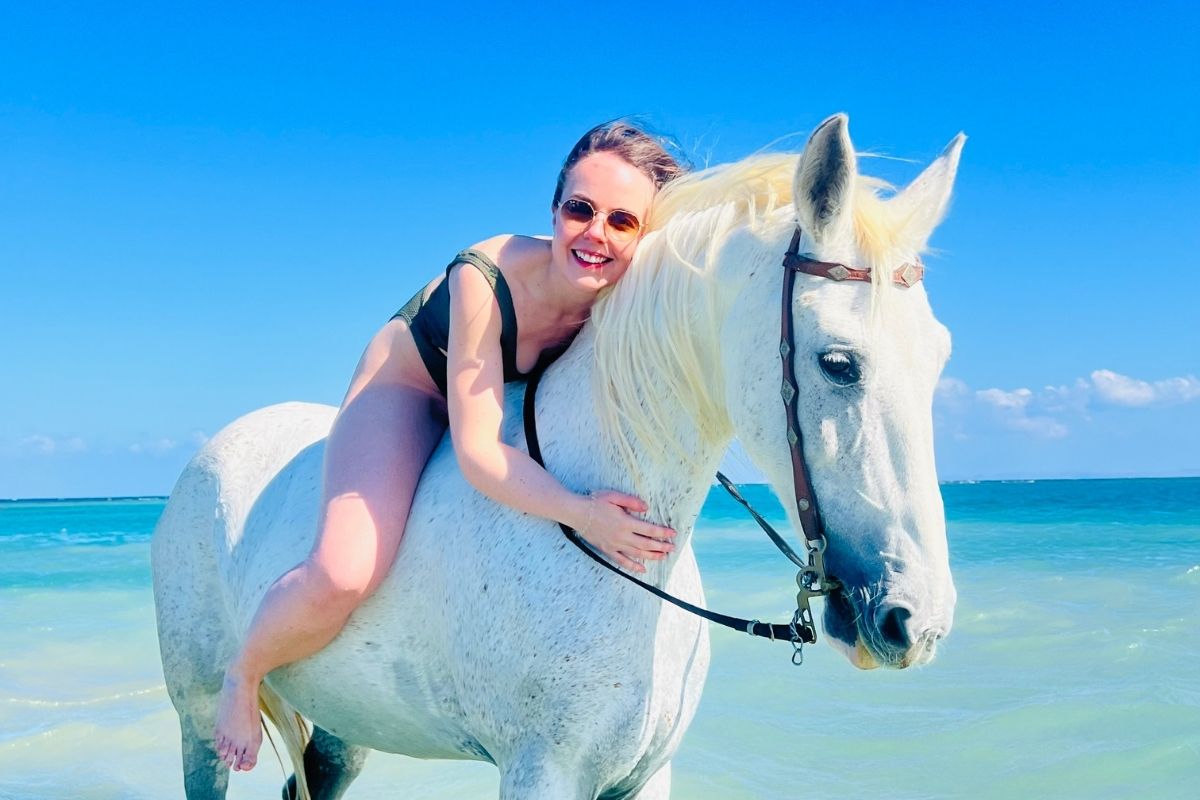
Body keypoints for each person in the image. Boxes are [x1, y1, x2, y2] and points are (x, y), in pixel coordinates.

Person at [214, 122, 688, 771]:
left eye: (622, 221)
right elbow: (479, 456)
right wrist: (584, 513)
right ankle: (243, 673)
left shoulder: (621, 294)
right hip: (410, 387)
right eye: (580, 209)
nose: (595, 234)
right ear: (554, 210)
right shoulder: (484, 275)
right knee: (344, 571)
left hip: (503, 396)